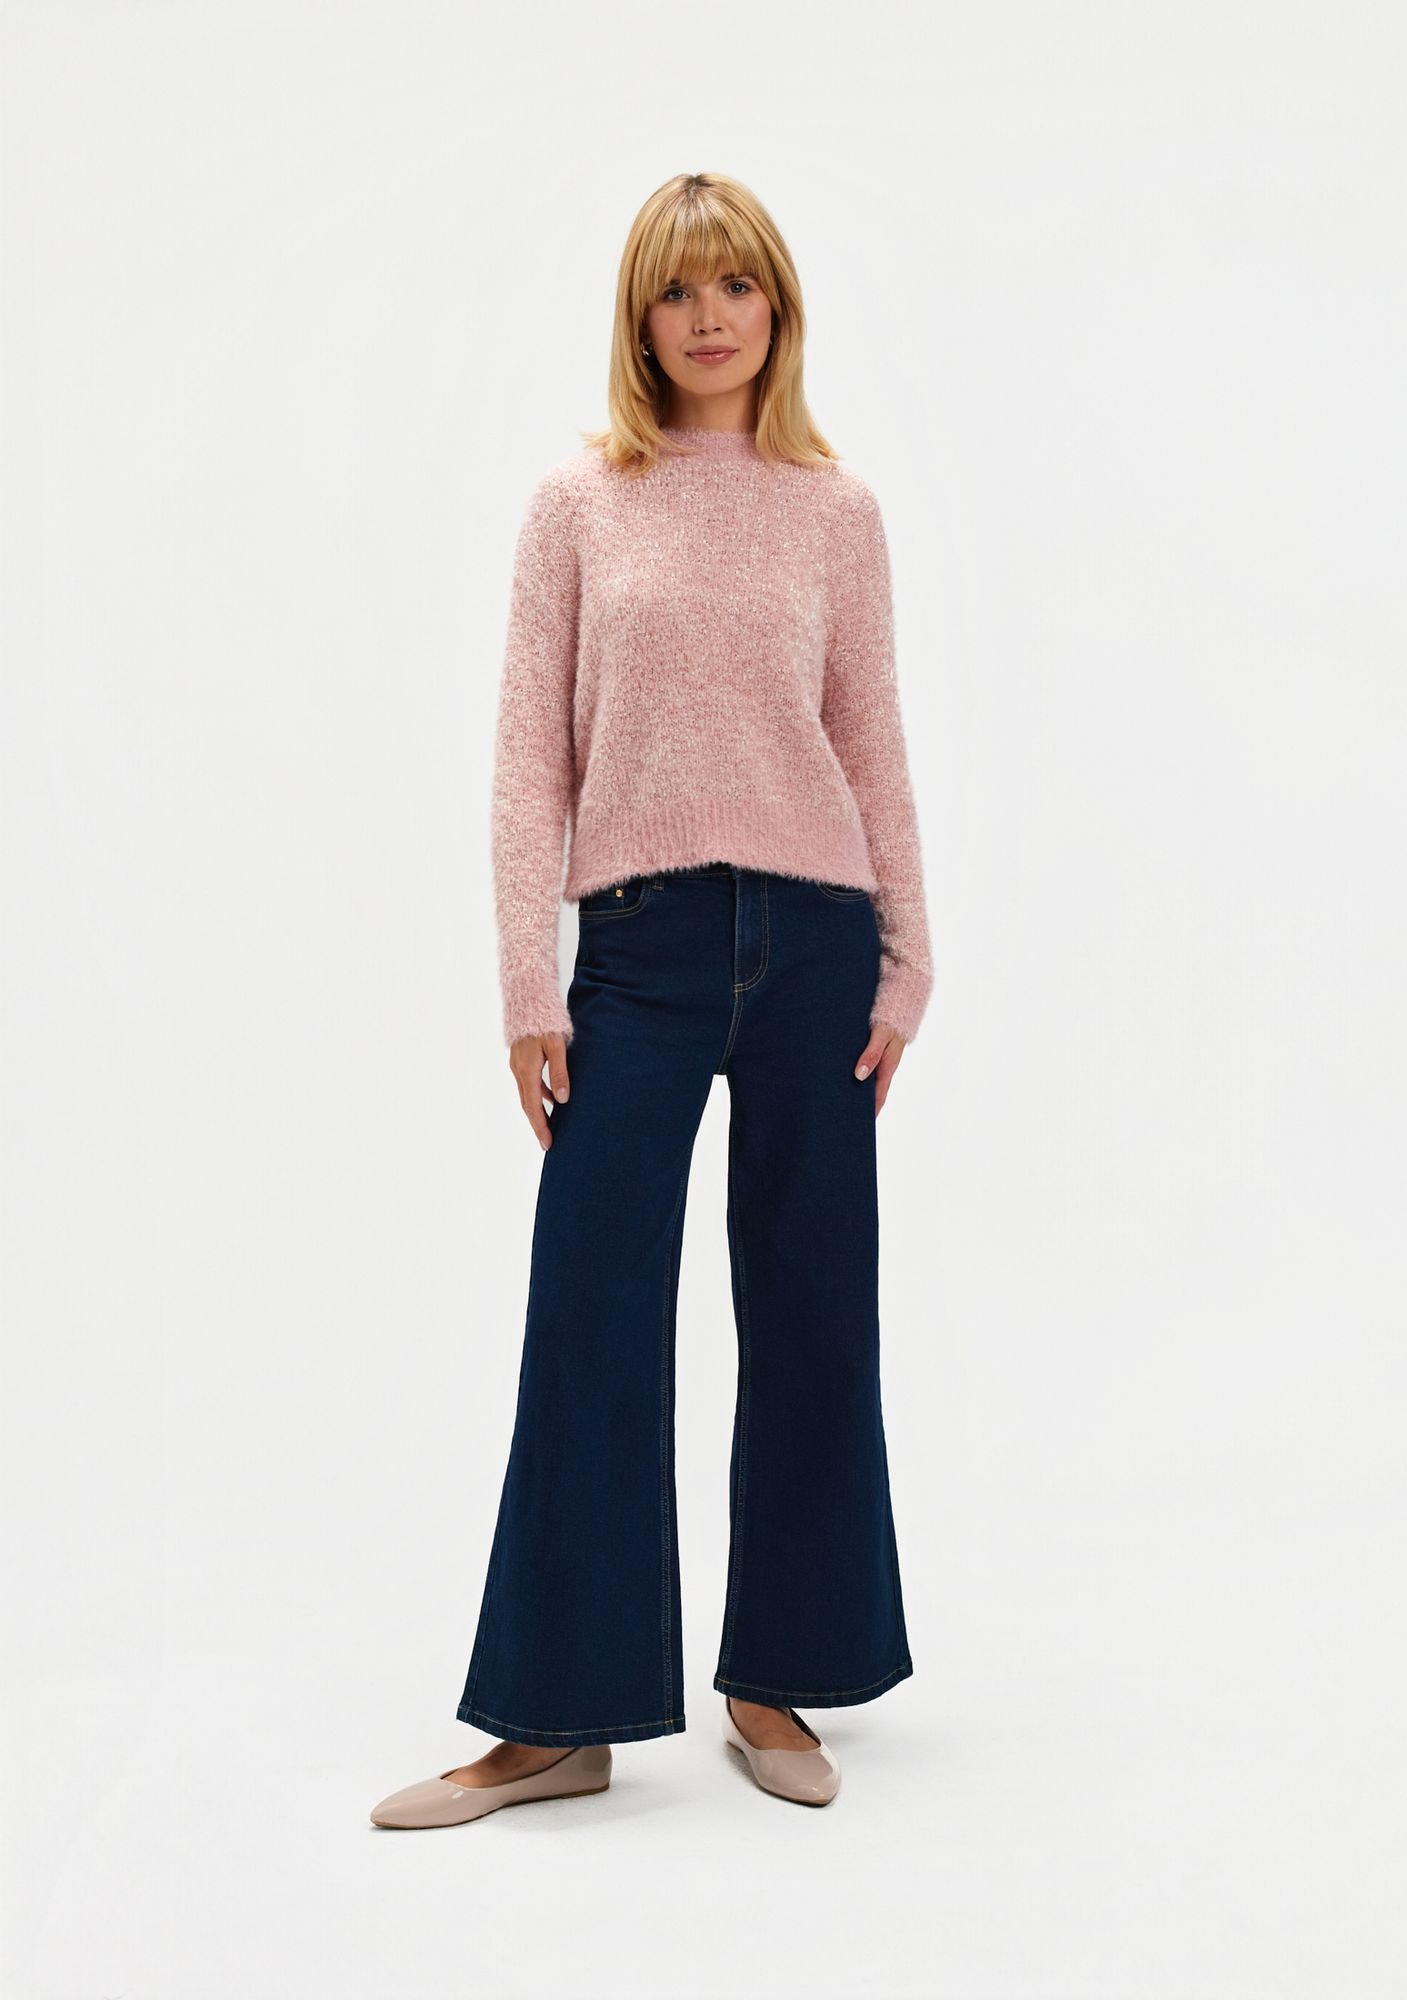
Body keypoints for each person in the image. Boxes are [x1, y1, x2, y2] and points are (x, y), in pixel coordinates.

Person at [371, 170, 934, 1828]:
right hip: (638, 948)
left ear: (778, 309)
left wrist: (909, 956)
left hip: (818, 941)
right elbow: (524, 759)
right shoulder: (578, 504)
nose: (709, 317)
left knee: (814, 1310)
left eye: (736, 286)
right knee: (591, 1312)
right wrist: (522, 983)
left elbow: (873, 734)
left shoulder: (836, 511)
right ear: (640, 318)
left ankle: (779, 1678)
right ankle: (559, 1720)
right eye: (679, 290)